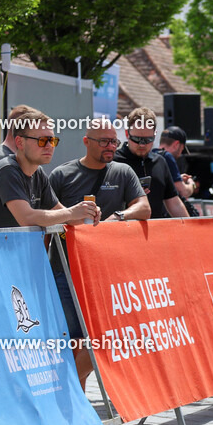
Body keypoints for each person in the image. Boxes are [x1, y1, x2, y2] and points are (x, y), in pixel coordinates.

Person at [48, 117, 151, 388]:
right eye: (104, 141)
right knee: (73, 338)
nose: (110, 147)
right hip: (66, 270)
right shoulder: (62, 175)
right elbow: (47, 219)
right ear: (86, 141)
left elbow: (144, 207)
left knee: (106, 337)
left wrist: (119, 216)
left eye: (114, 141)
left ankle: (69, 385)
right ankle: (77, 404)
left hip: (108, 272)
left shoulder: (122, 172)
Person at [0, 110, 99, 229]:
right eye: (42, 140)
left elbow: (63, 216)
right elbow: (27, 218)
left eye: (52, 140)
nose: (49, 146)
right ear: (20, 142)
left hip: (5, 250)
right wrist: (71, 212)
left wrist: (87, 213)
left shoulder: (38, 173)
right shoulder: (7, 170)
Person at [114, 107, 188, 219]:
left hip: (156, 232)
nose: (142, 145)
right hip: (123, 231)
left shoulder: (160, 162)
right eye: (137, 139)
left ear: (155, 135)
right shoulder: (113, 162)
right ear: (127, 133)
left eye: (147, 140)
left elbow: (174, 202)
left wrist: (189, 227)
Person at [157, 126, 197, 199]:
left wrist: (177, 179)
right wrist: (192, 184)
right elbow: (183, 192)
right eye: (182, 149)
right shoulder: (167, 157)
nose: (180, 154)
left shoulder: (151, 155)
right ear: (176, 144)